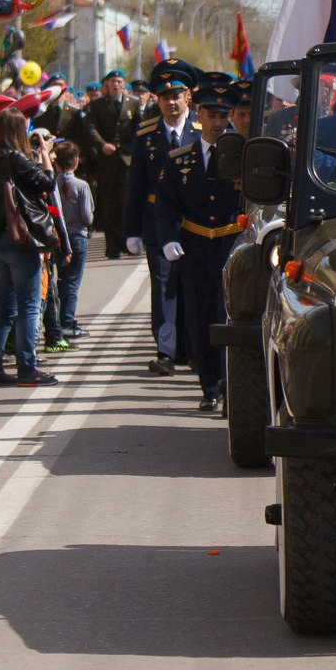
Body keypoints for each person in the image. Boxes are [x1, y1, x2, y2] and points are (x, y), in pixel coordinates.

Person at [164, 77, 249, 416]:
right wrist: (169, 237)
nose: (218, 123)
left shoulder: (243, 154)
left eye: (223, 116)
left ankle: (233, 386)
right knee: (200, 321)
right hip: (195, 246)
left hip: (232, 246)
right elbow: (167, 203)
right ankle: (209, 387)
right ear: (199, 114)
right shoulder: (180, 159)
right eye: (211, 116)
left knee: (231, 321)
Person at [0, 108, 61, 388]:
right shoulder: (15, 158)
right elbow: (47, 183)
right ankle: (27, 368)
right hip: (21, 239)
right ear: (19, 131)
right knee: (29, 305)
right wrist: (45, 153)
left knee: (7, 304)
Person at [125, 63, 204, 374]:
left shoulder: (201, 130)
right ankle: (166, 352)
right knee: (163, 286)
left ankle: (193, 349)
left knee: (192, 286)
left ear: (188, 98)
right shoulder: (146, 135)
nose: (171, 103)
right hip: (157, 222)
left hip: (195, 223)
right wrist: (131, 230)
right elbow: (134, 185)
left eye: (176, 96)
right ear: (156, 101)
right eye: (164, 97)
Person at [72, 71, 135, 260]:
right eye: (112, 82)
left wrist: (131, 148)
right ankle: (112, 246)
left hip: (127, 158)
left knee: (127, 201)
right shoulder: (98, 105)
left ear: (124, 84)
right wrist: (101, 145)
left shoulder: (133, 103)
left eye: (119, 81)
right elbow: (90, 128)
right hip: (107, 160)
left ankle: (127, 241)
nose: (116, 85)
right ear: (106, 85)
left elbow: (138, 128)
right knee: (110, 203)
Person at [52, 139, 94, 339]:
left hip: (59, 237)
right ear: (76, 160)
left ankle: (58, 320)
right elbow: (87, 216)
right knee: (72, 283)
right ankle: (67, 322)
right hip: (77, 236)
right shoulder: (81, 185)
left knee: (61, 280)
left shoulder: (52, 184)